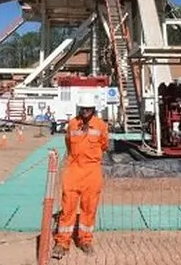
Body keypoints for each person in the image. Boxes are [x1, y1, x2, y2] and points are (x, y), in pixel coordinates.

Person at [52, 93, 109, 259]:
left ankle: (85, 240)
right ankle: (62, 243)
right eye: (83, 108)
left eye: (88, 108)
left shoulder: (101, 126)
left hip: (92, 171)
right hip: (73, 171)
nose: (85, 111)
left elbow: (104, 145)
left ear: (93, 109)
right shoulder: (72, 124)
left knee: (89, 208)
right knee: (68, 208)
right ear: (79, 108)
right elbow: (68, 144)